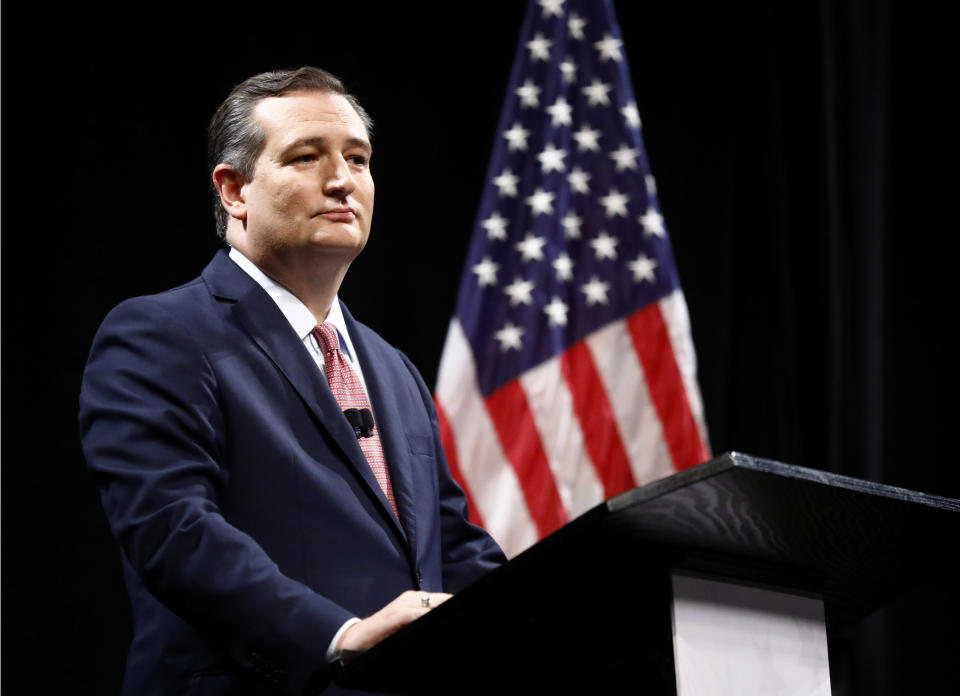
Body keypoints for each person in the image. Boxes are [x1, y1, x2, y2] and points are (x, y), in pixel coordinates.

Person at [79, 67, 506, 696]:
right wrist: (335, 635)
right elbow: (172, 527)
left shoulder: (393, 367)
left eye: (358, 159)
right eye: (306, 157)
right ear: (234, 190)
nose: (341, 181)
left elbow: (452, 545)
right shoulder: (158, 334)